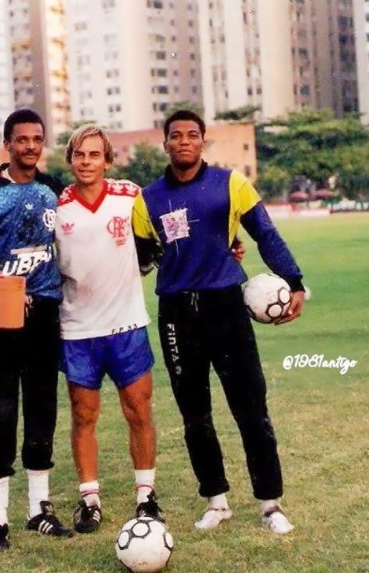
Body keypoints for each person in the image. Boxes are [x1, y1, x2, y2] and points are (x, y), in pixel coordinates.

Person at [133, 109, 305, 535]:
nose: (185, 141)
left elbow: (265, 233)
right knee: (195, 415)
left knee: (251, 410)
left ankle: (270, 504)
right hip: (176, 315)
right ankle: (216, 500)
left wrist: (294, 281)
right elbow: (141, 259)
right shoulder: (147, 199)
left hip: (226, 307)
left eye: (193, 135)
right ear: (166, 143)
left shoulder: (231, 184)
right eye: (177, 135)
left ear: (203, 141)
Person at [0, 109, 73, 551]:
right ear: (7, 144)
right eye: (21, 139)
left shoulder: (55, 191)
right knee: (1, 415)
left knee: (42, 411)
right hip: (2, 315)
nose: (30, 146)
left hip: (44, 315)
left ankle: (39, 511)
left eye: (36, 139)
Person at [54, 125, 164, 533]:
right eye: (80, 155)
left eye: (94, 155)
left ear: (107, 160)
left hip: (127, 324)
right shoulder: (57, 206)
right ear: (71, 160)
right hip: (78, 328)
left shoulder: (130, 196)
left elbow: (167, 231)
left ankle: (146, 496)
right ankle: (90, 500)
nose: (87, 162)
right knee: (84, 415)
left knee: (138, 410)